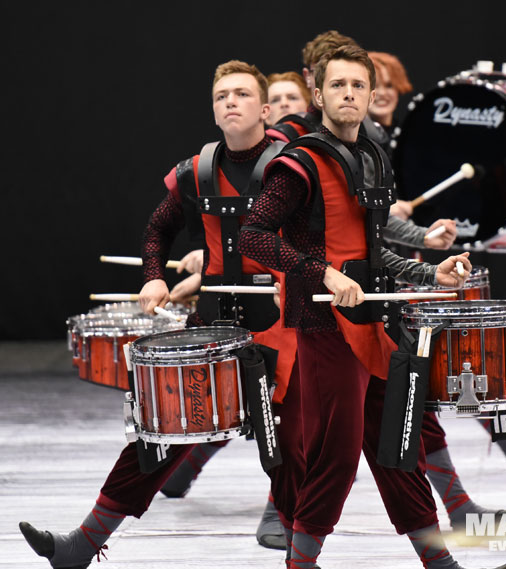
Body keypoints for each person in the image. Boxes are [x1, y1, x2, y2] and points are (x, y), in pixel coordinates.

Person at [18, 60, 302, 569]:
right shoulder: (198, 170)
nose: (230, 102)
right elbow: (157, 231)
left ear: (264, 109)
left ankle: (293, 536)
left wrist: (296, 284)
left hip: (279, 326)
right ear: (215, 111)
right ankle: (82, 544)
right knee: (158, 434)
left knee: (288, 436)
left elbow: (316, 242)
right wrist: (154, 275)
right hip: (213, 324)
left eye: (241, 94)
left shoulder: (292, 169)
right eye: (221, 96)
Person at [240, 44, 506, 569]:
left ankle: (442, 564)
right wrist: (320, 272)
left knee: (398, 452)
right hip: (323, 326)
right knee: (336, 461)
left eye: (358, 86)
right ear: (318, 94)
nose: (348, 94)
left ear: (370, 96)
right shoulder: (298, 163)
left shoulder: (370, 156)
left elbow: (374, 252)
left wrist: (430, 273)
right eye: (337, 85)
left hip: (372, 325)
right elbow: (253, 236)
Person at [367, 49, 506, 474]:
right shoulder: (358, 145)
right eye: (370, 82)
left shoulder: (409, 139)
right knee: (423, 371)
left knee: (445, 361)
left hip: (414, 257)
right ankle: (181, 468)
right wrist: (387, 216)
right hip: (381, 269)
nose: (380, 91)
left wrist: (415, 227)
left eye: (388, 82)